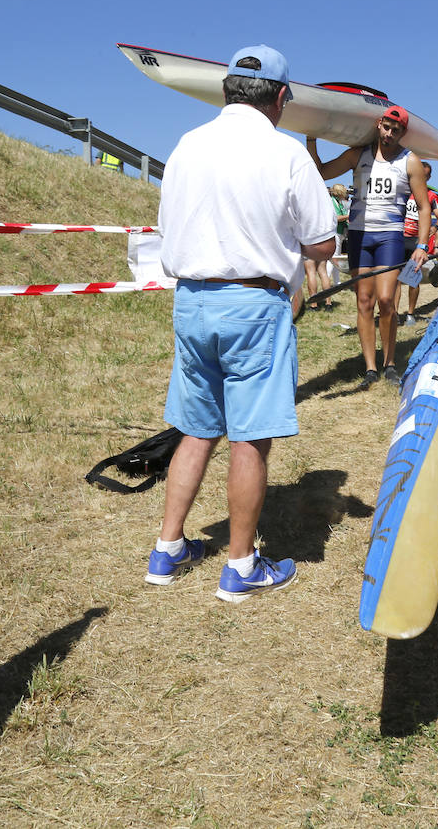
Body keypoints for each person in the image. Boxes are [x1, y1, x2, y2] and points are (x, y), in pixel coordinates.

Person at [150, 44, 336, 602]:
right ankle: (240, 563)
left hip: (191, 301)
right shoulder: (285, 154)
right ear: (280, 98)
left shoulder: (186, 146)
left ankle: (167, 548)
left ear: (228, 90)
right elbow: (322, 241)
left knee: (196, 427)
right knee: (250, 437)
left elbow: (166, 226)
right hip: (254, 305)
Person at [307, 105, 433, 387]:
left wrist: (422, 245)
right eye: (387, 127)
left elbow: (425, 207)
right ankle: (370, 368)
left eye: (396, 130)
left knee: (387, 300)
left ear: (403, 133)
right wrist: (311, 138)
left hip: (389, 236)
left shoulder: (409, 161)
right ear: (379, 124)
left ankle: (389, 363)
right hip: (360, 236)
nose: (390, 133)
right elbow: (322, 171)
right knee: (364, 301)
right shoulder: (358, 154)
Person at [399, 161, 438, 322]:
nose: (422, 177)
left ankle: (410, 314)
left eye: (425, 175)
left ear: (429, 176)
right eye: (420, 174)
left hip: (415, 242)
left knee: (412, 278)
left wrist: (434, 228)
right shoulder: (403, 190)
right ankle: (392, 313)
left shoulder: (431, 195)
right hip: (398, 238)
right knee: (393, 279)